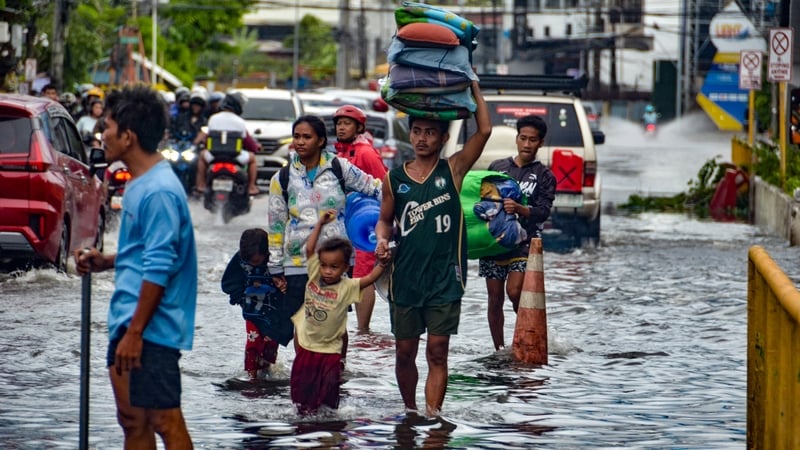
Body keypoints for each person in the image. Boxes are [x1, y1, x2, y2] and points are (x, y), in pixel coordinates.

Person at [73, 85, 197, 449]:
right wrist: (108, 261)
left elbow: (160, 266)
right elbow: (147, 252)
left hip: (150, 327)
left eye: (107, 127)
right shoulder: (141, 184)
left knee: (164, 420)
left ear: (128, 137)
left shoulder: (158, 190)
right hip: (131, 319)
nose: (103, 135)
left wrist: (135, 333)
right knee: (132, 419)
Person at [374, 80, 491, 417]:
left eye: (430, 132)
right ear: (409, 135)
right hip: (406, 278)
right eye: (417, 131)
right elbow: (385, 221)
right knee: (404, 353)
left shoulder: (452, 170)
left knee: (438, 352)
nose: (422, 138)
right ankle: (410, 412)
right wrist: (382, 240)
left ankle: (433, 416)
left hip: (445, 277)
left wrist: (474, 88)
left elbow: (484, 131)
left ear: (443, 138)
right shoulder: (394, 179)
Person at [266, 115, 382, 362]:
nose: (300, 142)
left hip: (336, 261)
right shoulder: (282, 178)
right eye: (296, 136)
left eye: (306, 137)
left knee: (336, 319)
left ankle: (337, 370)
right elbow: (275, 226)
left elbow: (375, 188)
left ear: (320, 141)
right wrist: (275, 267)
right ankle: (306, 370)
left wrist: (395, 214)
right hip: (297, 263)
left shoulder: (340, 168)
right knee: (303, 320)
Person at [290, 210, 386, 414]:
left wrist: (382, 263)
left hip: (331, 352)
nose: (327, 271)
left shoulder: (347, 286)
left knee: (329, 395)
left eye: (334, 267)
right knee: (302, 395)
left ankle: (329, 425)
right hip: (307, 347)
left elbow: (368, 280)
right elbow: (309, 249)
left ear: (345, 267)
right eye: (324, 265)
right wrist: (320, 224)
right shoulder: (315, 274)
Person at [478, 115, 556, 351]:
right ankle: (499, 349)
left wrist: (522, 209)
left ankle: (529, 335)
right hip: (494, 243)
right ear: (517, 138)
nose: (527, 144)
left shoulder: (545, 176)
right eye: (523, 138)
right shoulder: (498, 168)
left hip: (525, 244)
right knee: (494, 299)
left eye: (533, 140)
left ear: (540, 143)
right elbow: (483, 200)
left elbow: (544, 211)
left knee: (514, 291)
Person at [332, 105, 387, 332]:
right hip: (346, 223)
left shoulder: (365, 152)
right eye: (339, 123)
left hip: (366, 223)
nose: (341, 127)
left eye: (347, 123)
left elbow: (384, 184)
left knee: (364, 275)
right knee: (347, 271)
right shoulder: (340, 152)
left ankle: (363, 330)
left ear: (359, 127)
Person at [221, 228, 291, 380]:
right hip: (253, 311)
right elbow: (229, 281)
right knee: (253, 342)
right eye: (249, 261)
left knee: (270, 345)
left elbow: (290, 281)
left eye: (256, 261)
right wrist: (239, 298)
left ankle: (265, 372)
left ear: (266, 253)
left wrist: (285, 290)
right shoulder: (240, 259)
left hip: (276, 314)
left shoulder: (277, 260)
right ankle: (252, 377)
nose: (252, 264)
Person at [194, 91, 260, 195]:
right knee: (252, 159)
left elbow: (208, 139)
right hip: (235, 157)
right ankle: (251, 187)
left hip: (214, 156)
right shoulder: (240, 121)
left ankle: (201, 184)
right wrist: (256, 148)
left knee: (202, 156)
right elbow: (248, 142)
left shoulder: (213, 119)